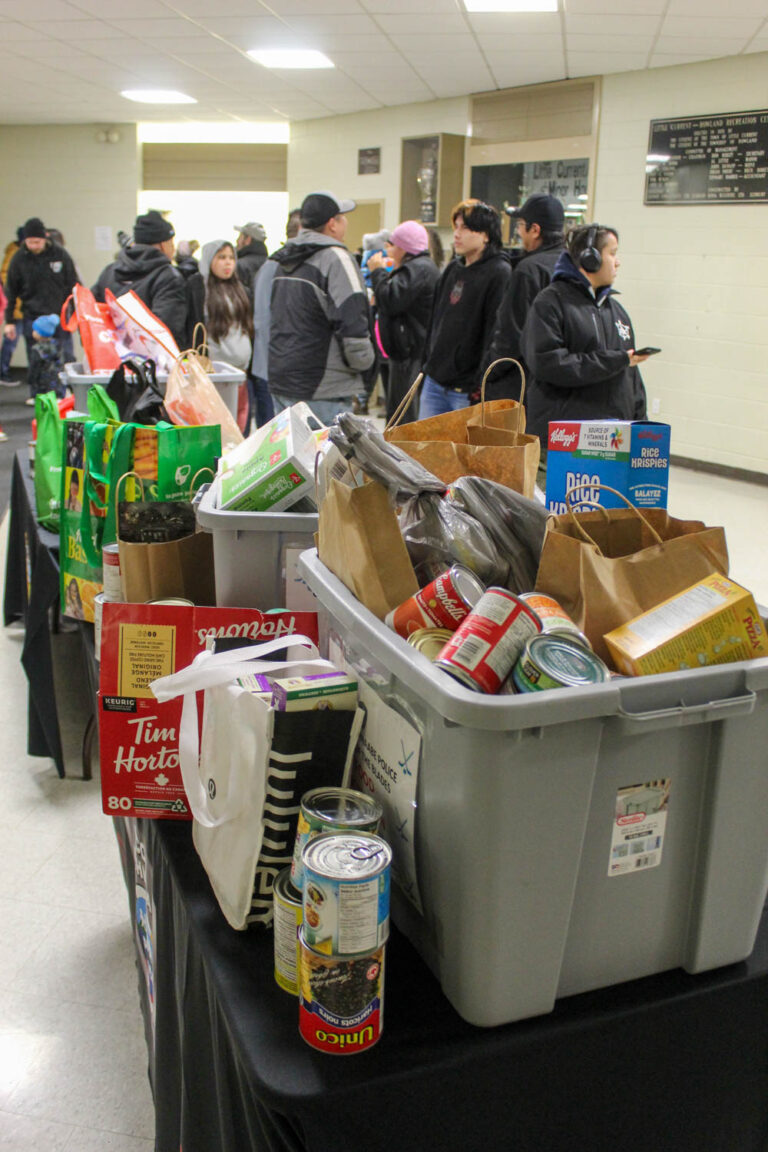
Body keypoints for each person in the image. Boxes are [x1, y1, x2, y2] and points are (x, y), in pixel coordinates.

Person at [521, 223, 650, 477]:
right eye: (612, 253)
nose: (617, 262)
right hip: (562, 446)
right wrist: (615, 361)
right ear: (589, 258)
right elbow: (548, 363)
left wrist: (642, 427)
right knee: (556, 516)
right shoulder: (550, 303)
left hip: (610, 445)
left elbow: (631, 376)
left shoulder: (617, 312)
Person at [262, 190, 375, 424]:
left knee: (292, 458)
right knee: (324, 459)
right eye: (343, 217)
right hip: (322, 388)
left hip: (281, 379)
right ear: (332, 224)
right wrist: (364, 362)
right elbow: (352, 320)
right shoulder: (336, 258)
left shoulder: (281, 259)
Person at [419, 199, 510, 419]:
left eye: (466, 228)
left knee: (462, 453)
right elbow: (435, 321)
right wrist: (427, 364)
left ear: (486, 235)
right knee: (423, 451)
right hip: (434, 381)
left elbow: (494, 332)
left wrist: (479, 383)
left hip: (466, 389)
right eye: (456, 227)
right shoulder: (453, 269)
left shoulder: (499, 272)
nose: (457, 234)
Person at [484, 193, 566, 402]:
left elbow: (511, 333)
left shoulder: (529, 270)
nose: (518, 232)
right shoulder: (572, 265)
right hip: (557, 388)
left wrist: (488, 373)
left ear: (535, 230)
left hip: (520, 385)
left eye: (520, 225)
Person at [368, 220, 440, 425]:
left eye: (392, 244)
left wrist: (377, 272)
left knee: (403, 421)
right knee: (399, 416)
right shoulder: (416, 268)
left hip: (411, 354)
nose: (388, 249)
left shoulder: (418, 269)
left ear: (403, 247)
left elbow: (390, 300)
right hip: (407, 353)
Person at [3, 218, 79, 395]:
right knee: (36, 358)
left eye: (37, 242)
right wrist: (10, 321)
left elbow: (73, 285)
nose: (34, 246)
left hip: (59, 315)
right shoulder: (18, 259)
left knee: (65, 356)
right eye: (30, 242)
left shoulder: (60, 254)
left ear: (44, 238)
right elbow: (11, 292)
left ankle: (67, 393)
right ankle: (37, 394)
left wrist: (75, 315)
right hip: (33, 316)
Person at [92, 210, 187, 349]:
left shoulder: (109, 271)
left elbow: (92, 314)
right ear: (163, 244)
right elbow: (166, 328)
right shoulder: (168, 276)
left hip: (110, 356)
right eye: (171, 243)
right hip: (153, 363)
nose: (173, 248)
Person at [186, 240, 254, 431]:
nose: (228, 263)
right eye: (221, 257)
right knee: (216, 428)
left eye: (231, 258)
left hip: (241, 372)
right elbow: (191, 324)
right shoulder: (198, 287)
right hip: (212, 374)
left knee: (240, 429)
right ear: (209, 259)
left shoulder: (242, 289)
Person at [29, 313, 66, 404]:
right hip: (56, 377)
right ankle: (57, 397)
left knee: (40, 388)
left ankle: (38, 398)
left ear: (38, 333)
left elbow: (34, 367)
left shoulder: (36, 349)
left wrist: (30, 378)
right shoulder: (57, 345)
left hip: (41, 379)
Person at [234, 223, 268, 300]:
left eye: (240, 237)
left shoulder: (240, 265)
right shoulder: (271, 264)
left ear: (248, 239)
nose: (237, 241)